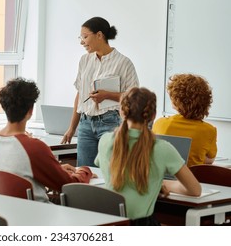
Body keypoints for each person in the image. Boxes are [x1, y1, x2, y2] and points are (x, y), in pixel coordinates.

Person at [95, 87, 201, 225]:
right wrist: (161, 183)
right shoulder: (162, 148)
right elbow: (195, 190)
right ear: (153, 115)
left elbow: (105, 168)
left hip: (108, 224)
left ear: (122, 112)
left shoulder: (105, 140)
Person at [0, 77, 93, 203]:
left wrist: (56, 169)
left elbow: (17, 172)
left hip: (8, 213)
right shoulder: (33, 147)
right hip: (40, 214)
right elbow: (69, 186)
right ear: (30, 111)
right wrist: (84, 170)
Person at [61, 16, 139, 166]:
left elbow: (134, 98)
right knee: (84, 171)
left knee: (111, 171)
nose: (81, 42)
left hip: (111, 122)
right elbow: (80, 94)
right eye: (80, 37)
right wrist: (72, 128)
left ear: (99, 35)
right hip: (85, 124)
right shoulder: (84, 60)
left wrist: (108, 95)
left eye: (85, 37)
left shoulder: (124, 63)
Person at [152, 74, 217, 167]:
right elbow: (210, 160)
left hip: (165, 179)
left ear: (175, 101)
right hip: (192, 179)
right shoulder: (209, 130)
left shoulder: (160, 123)